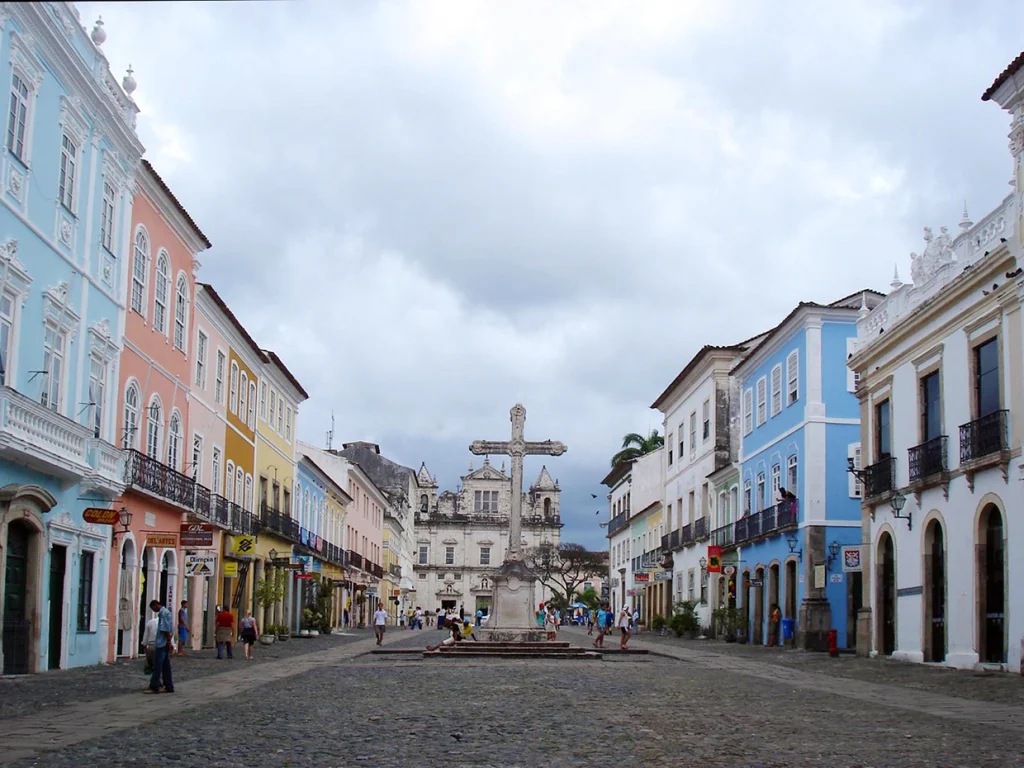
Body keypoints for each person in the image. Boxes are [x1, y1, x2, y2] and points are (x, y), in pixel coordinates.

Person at [144, 599, 174, 694]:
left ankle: (154, 686)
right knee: (166, 666)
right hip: (164, 642)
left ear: (156, 605)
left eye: (153, 609)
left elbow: (165, 629)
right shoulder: (167, 612)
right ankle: (168, 686)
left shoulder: (163, 613)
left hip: (162, 643)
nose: (154, 611)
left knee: (158, 666)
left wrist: (169, 642)